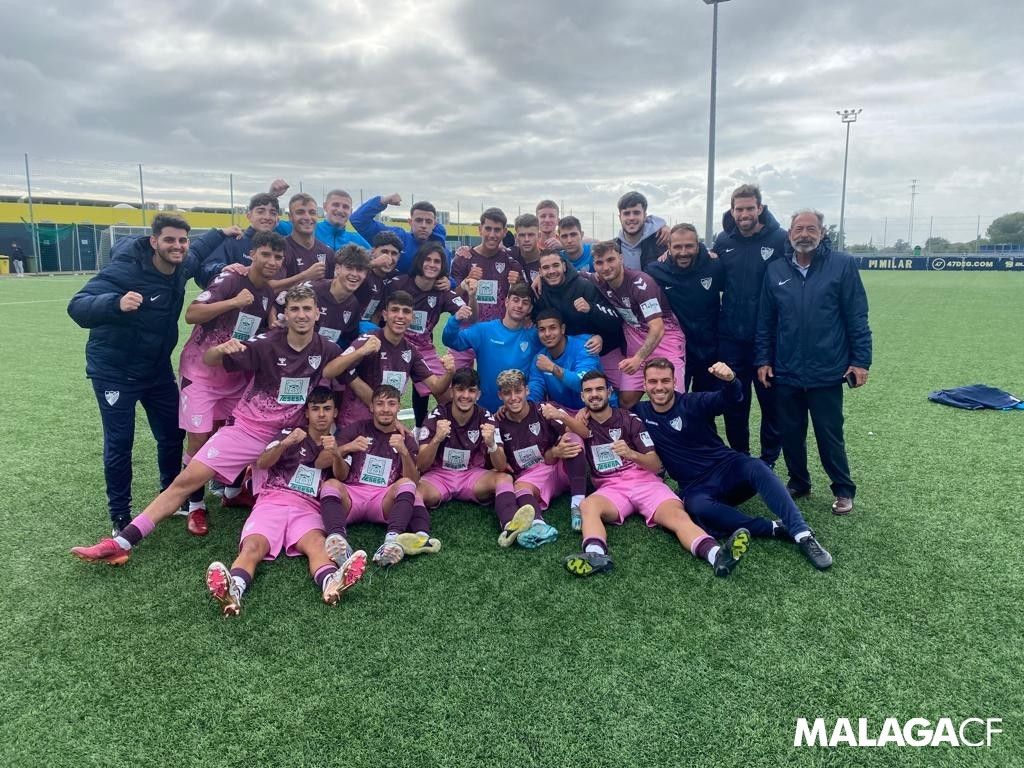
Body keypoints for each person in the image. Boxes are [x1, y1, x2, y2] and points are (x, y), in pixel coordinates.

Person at [70, 284, 343, 564]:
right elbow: (209, 358)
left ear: (317, 314)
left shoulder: (328, 350)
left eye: (307, 309)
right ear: (285, 313)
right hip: (248, 431)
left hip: (289, 438)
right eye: (295, 309)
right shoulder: (266, 343)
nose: (301, 315)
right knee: (185, 481)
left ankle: (300, 538)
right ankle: (122, 542)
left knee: (306, 492)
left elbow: (348, 379)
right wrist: (220, 349)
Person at [67, 214, 234, 534]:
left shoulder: (182, 264)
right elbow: (78, 306)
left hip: (156, 370)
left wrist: (221, 232)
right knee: (120, 442)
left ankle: (172, 497)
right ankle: (119, 515)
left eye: (182, 240)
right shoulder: (126, 270)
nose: (178, 246)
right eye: (169, 240)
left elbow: (200, 249)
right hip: (115, 372)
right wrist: (115, 303)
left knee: (171, 434)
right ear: (153, 241)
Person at [634, 358, 832, 570]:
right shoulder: (640, 413)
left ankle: (802, 533)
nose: (659, 387)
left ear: (674, 382)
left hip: (727, 469)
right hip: (695, 486)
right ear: (644, 385)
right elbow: (609, 413)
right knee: (696, 507)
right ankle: (773, 528)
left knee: (757, 466)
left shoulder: (692, 402)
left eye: (665, 381)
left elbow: (729, 399)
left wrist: (731, 380)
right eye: (653, 382)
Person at [561, 371, 750, 578]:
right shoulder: (581, 424)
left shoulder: (629, 418)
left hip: (645, 482)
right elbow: (571, 431)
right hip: (611, 488)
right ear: (582, 397)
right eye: (588, 391)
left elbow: (655, 463)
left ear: (609, 392)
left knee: (677, 517)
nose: (594, 394)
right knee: (588, 506)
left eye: (599, 389)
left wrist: (631, 453)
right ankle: (594, 555)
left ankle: (717, 555)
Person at [204, 387, 367, 617]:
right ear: (307, 413)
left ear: (335, 412)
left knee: (318, 546)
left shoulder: (339, 440)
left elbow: (340, 475)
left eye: (327, 409)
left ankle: (331, 583)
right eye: (316, 409)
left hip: (308, 506)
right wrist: (285, 443)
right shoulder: (288, 432)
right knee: (253, 547)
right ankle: (234, 591)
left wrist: (339, 452)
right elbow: (262, 462)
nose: (321, 414)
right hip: (273, 500)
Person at [756, 209, 872, 516]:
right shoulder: (776, 270)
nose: (804, 234)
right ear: (790, 233)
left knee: (829, 433)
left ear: (822, 233)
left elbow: (857, 317)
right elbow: (766, 322)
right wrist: (763, 360)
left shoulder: (842, 265)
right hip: (787, 370)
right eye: (798, 228)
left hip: (827, 371)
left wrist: (861, 362)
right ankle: (799, 482)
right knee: (791, 432)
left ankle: (843, 489)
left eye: (811, 229)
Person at [176, 231, 284, 535]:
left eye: (278, 257)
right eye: (266, 254)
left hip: (235, 378)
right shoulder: (230, 280)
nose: (272, 261)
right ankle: (195, 506)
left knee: (226, 437)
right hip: (201, 375)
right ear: (252, 254)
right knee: (197, 440)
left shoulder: (268, 293)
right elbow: (192, 314)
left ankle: (230, 492)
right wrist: (234, 301)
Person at [320, 384, 440, 569]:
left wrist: (403, 452)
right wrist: (342, 451)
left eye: (391, 404)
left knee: (407, 484)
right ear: (371, 407)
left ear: (399, 407)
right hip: (353, 495)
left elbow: (414, 481)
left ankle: (391, 541)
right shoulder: (356, 429)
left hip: (382, 500)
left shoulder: (405, 438)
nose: (385, 409)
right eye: (380, 404)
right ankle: (338, 541)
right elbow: (341, 475)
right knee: (330, 484)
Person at [415, 368, 536, 548]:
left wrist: (492, 445)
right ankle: (420, 536)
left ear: (478, 394)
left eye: (471, 390)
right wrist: (437, 439)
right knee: (414, 490)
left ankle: (510, 527)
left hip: (471, 476)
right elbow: (421, 464)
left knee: (504, 478)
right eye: (460, 389)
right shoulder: (437, 415)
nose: (465, 395)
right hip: (440, 476)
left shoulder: (485, 417)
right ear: (451, 392)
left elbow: (501, 465)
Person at [713, 184, 787, 465]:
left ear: (760, 208)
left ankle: (768, 459)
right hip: (731, 337)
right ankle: (740, 457)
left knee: (771, 405)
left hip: (768, 339)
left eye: (749, 208)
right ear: (732, 211)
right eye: (739, 209)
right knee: (736, 403)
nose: (744, 214)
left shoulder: (780, 239)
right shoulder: (724, 240)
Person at [328, 289, 455, 424]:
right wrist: (361, 352)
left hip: (387, 426)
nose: (400, 316)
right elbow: (330, 371)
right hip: (355, 425)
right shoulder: (369, 340)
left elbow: (436, 387)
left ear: (412, 317)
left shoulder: (410, 351)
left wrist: (449, 373)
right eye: (395, 310)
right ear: (385, 315)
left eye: (406, 311)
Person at [384, 241, 472, 426]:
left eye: (437, 261)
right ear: (419, 261)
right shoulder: (398, 284)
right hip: (393, 345)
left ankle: (442, 432)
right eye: (428, 259)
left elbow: (465, 310)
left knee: (448, 396)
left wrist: (464, 306)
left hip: (423, 349)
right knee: (385, 394)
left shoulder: (441, 291)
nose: (432, 264)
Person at [591, 240, 686, 408]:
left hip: (665, 341)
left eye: (610, 260)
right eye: (599, 262)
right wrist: (541, 275)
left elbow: (657, 327)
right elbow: (572, 273)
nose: (605, 267)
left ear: (621, 258)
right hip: (636, 345)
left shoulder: (641, 283)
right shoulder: (600, 281)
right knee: (626, 401)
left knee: (673, 400)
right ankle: (637, 432)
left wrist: (639, 358)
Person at [494, 370, 574, 548]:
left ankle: (578, 500)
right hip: (531, 477)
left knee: (574, 442)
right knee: (519, 488)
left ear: (527, 391)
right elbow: (498, 463)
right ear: (500, 395)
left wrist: (559, 446)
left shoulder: (544, 409)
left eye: (518, 391)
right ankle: (538, 526)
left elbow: (573, 429)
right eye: (507, 393)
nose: (514, 397)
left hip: (559, 466)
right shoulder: (497, 423)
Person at [441, 283, 543, 413]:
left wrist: (525, 403)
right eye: (515, 300)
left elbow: (537, 378)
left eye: (525, 303)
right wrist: (455, 320)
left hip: (517, 410)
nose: (519, 306)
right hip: (485, 412)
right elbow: (450, 341)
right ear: (506, 302)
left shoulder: (534, 337)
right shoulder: (484, 330)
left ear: (530, 309)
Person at [645, 224, 723, 393]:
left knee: (704, 406)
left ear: (698, 245)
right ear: (669, 248)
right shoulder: (655, 270)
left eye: (689, 246)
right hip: (675, 349)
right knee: (675, 402)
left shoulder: (715, 265)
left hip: (709, 348)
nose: (683, 252)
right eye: (677, 247)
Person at [532, 250, 625, 371]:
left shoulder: (585, 286)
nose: (551, 271)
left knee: (621, 388)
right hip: (561, 356)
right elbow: (532, 318)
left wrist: (592, 310)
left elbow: (616, 321)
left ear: (564, 266)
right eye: (546, 267)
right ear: (540, 272)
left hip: (599, 350)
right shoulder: (538, 291)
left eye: (556, 265)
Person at [350, 193, 448, 275]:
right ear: (410, 222)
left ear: (434, 224)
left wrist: (448, 282)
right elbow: (358, 220)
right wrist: (383, 201)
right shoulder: (397, 237)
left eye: (428, 221)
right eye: (418, 220)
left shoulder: (441, 250)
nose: (423, 225)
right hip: (392, 295)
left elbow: (449, 278)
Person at [198, 193, 281, 287]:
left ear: (277, 219)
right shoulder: (233, 241)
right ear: (249, 216)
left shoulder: (280, 247)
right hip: (236, 300)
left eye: (273, 213)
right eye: (260, 212)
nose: (267, 217)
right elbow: (203, 273)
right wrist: (223, 268)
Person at [271, 182, 371, 251]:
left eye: (345, 207)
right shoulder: (304, 229)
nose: (340, 210)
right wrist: (271, 195)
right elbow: (266, 223)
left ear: (351, 211)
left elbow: (376, 257)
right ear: (325, 207)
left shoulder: (356, 240)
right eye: (335, 205)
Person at [276, 192, 340, 286]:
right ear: (290, 217)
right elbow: (269, 288)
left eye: (312, 212)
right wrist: (305, 276)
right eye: (300, 212)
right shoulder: (280, 249)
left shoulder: (328, 252)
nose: (307, 217)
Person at [354, 231, 403, 333]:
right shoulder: (363, 271)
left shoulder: (394, 278)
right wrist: (374, 263)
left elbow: (377, 312)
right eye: (384, 252)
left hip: (367, 326)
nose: (389, 257)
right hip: (345, 323)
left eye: (394, 253)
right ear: (373, 252)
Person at [615, 191, 667, 271]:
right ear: (620, 217)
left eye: (636, 213)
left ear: (645, 216)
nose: (631, 218)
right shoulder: (613, 248)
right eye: (626, 213)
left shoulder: (662, 242)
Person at [510, 213, 544, 285]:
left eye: (531, 235)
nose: (526, 239)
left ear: (539, 236)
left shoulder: (547, 261)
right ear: (516, 237)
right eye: (522, 235)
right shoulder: (508, 255)